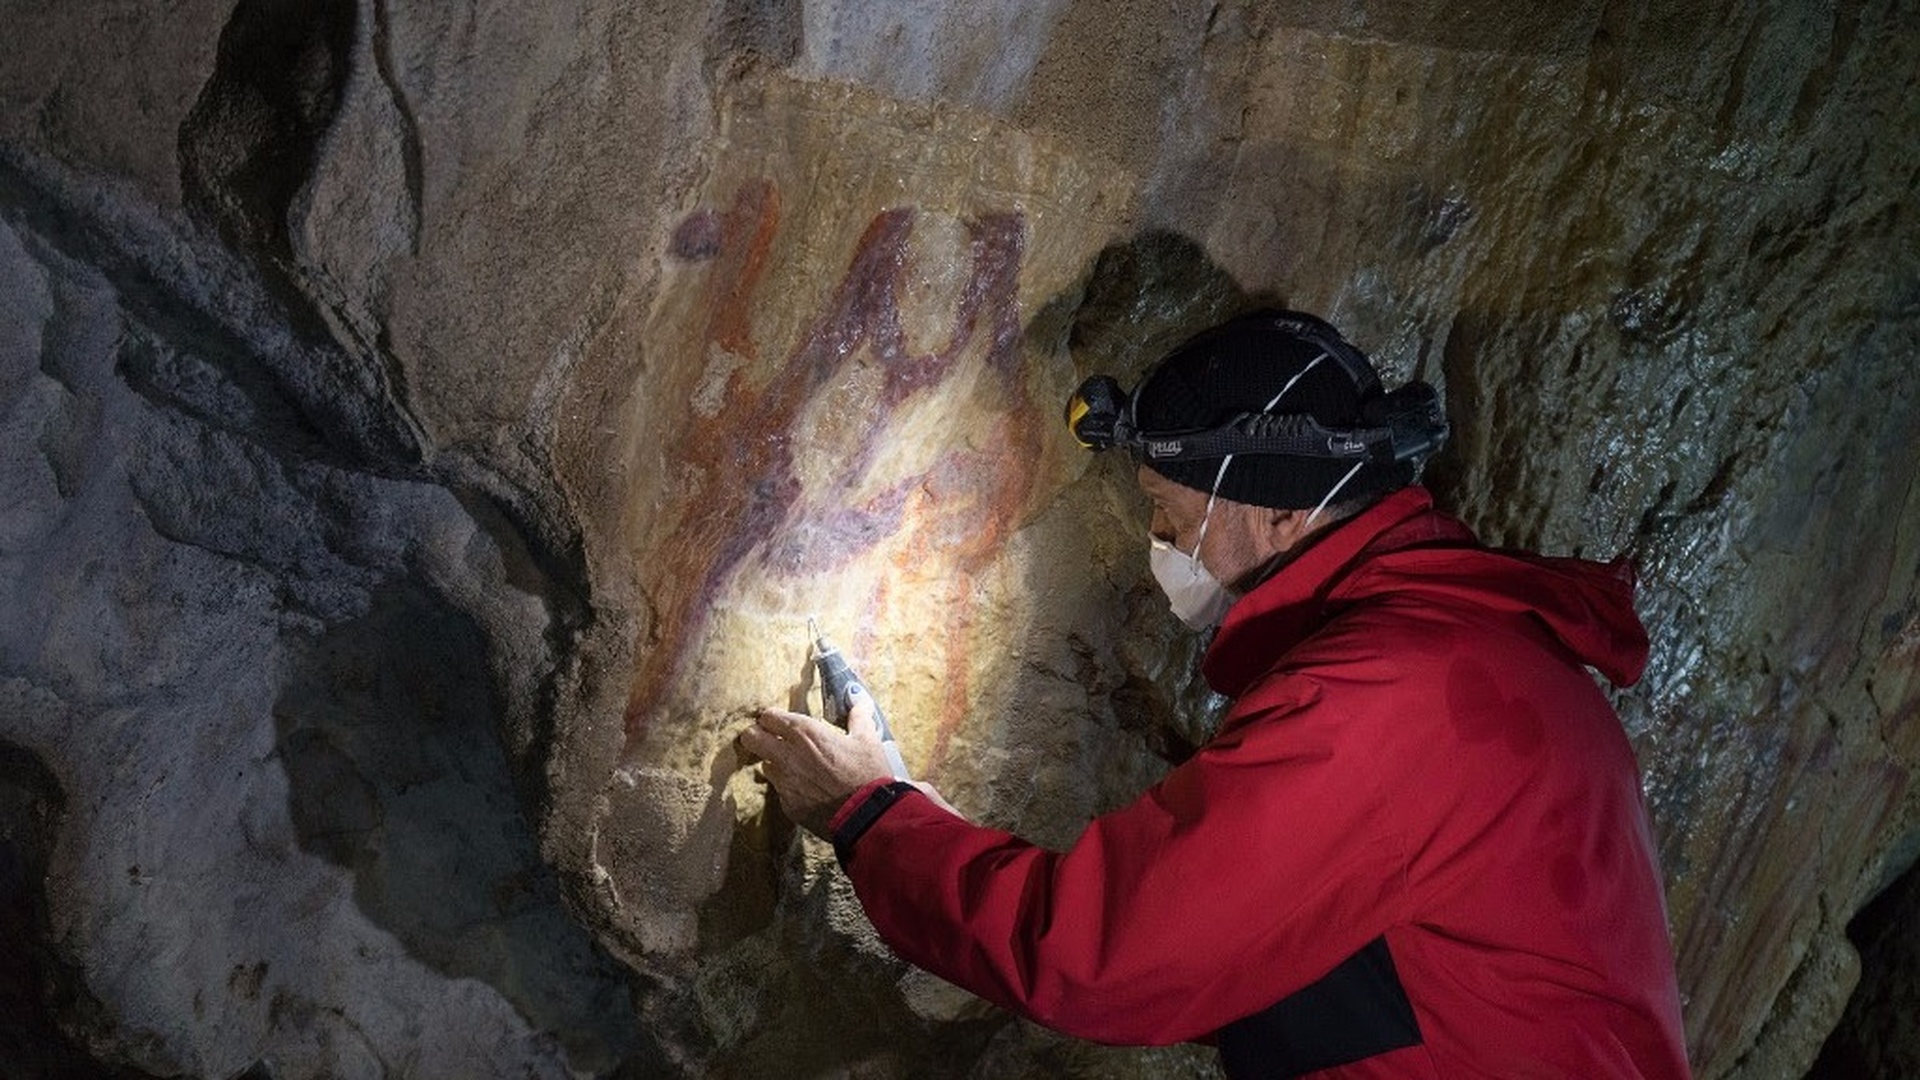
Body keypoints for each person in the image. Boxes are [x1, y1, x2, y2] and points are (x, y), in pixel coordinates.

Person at [741, 309, 1691, 1078]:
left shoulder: (1391, 697)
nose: (1158, 539)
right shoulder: (1474, 648)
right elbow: (1306, 960)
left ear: (1279, 506)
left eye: (1171, 512)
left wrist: (872, 817)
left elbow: (1110, 957)